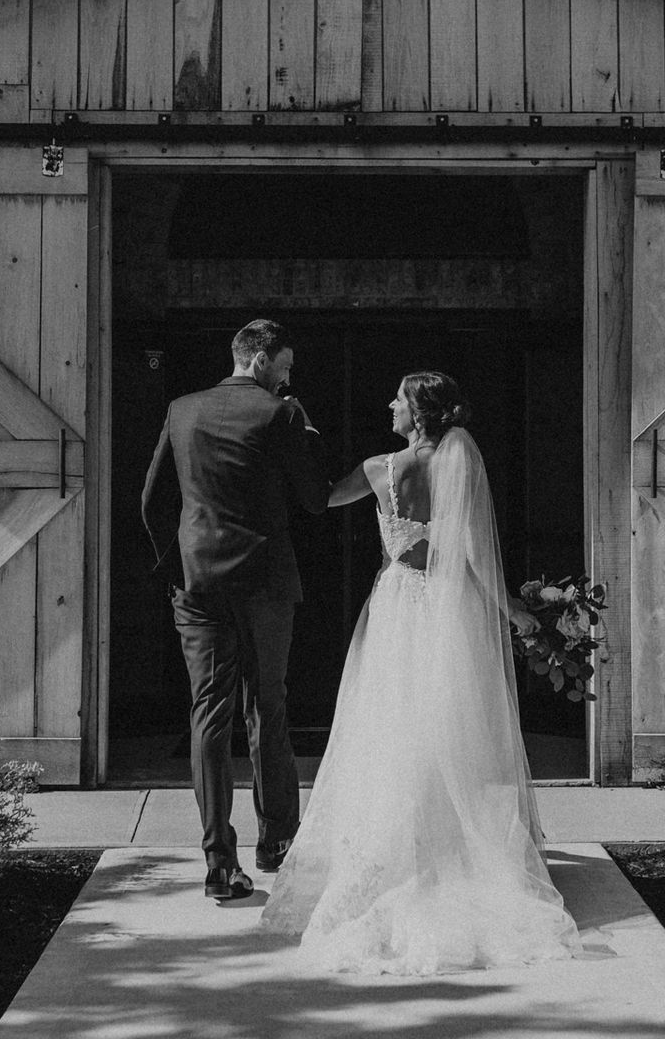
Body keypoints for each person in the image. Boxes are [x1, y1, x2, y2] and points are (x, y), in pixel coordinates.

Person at [259, 370, 582, 974]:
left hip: (399, 608)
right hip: (450, 610)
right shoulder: (460, 466)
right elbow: (476, 558)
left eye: (398, 400)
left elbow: (322, 497)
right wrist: (517, 614)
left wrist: (301, 431)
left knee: (390, 730)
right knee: (451, 730)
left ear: (419, 414)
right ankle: (452, 853)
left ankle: (397, 858)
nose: (388, 405)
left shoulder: (382, 468)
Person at [141, 319, 330, 901]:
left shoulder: (181, 408)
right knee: (265, 707)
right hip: (264, 582)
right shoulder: (281, 413)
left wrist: (179, 567)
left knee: (208, 714)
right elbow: (315, 497)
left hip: (196, 583)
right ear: (262, 360)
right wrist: (308, 428)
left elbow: (152, 501)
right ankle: (276, 842)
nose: (289, 377)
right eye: (286, 366)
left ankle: (219, 863)